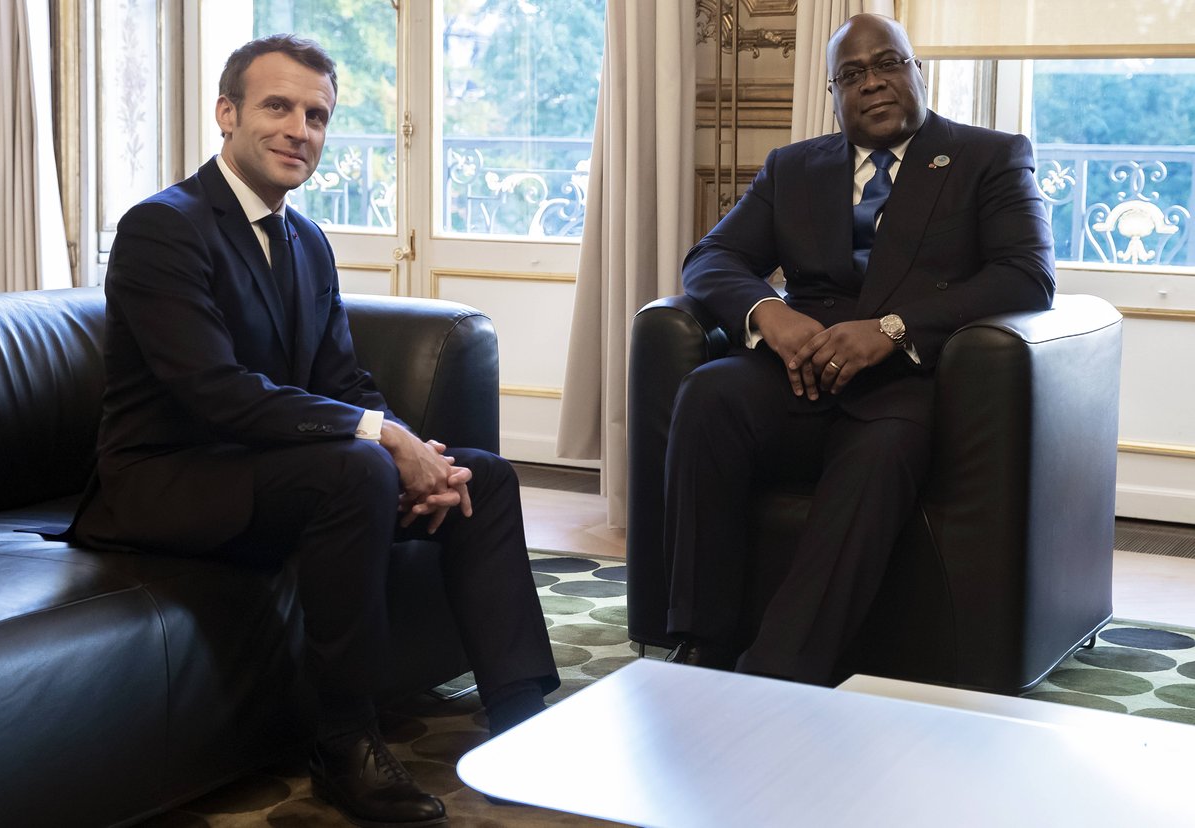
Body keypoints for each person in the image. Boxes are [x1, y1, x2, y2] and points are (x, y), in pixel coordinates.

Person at [73, 34, 557, 828]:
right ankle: (342, 738)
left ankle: (519, 714)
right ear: (226, 114)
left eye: (318, 115)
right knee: (360, 469)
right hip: (165, 481)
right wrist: (384, 445)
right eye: (278, 106)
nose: (301, 128)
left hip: (274, 470)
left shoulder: (307, 240)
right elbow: (215, 394)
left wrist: (418, 451)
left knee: (483, 478)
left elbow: (342, 384)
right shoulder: (163, 228)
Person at [663, 14, 1055, 685]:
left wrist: (892, 328)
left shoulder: (988, 157)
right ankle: (699, 642)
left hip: (905, 383)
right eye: (851, 74)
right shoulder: (793, 167)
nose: (871, 83)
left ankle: (779, 670)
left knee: (880, 452)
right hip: (797, 372)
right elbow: (713, 257)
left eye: (888, 64)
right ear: (831, 92)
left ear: (917, 72)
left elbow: (1025, 274)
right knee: (709, 393)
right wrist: (769, 313)